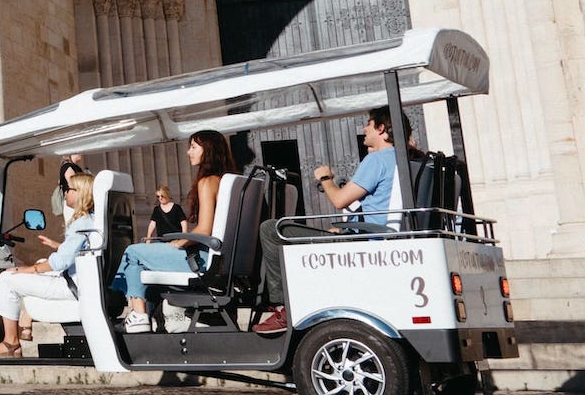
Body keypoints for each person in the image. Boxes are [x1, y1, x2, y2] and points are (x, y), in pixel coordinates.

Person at [253, 107, 400, 334]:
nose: (364, 129)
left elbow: (340, 200)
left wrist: (325, 177)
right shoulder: (404, 158)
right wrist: (347, 227)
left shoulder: (377, 160)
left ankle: (284, 306)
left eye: (368, 124)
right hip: (376, 235)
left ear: (381, 129)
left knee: (272, 229)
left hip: (366, 241)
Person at [109, 129, 236, 333]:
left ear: (208, 150)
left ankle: (136, 313)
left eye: (193, 147)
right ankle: (142, 313)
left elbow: (204, 230)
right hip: (216, 258)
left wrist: (178, 243)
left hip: (201, 260)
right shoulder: (224, 180)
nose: (188, 152)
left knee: (132, 251)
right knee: (137, 267)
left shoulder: (207, 182)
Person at [0, 174, 97, 357]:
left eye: (68, 190)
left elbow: (60, 262)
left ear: (81, 194)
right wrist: (54, 249)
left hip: (73, 286)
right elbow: (77, 252)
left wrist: (26, 270)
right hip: (80, 281)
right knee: (37, 264)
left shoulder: (81, 223)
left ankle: (11, 343)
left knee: (7, 279)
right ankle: (24, 326)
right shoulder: (91, 220)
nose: (65, 193)